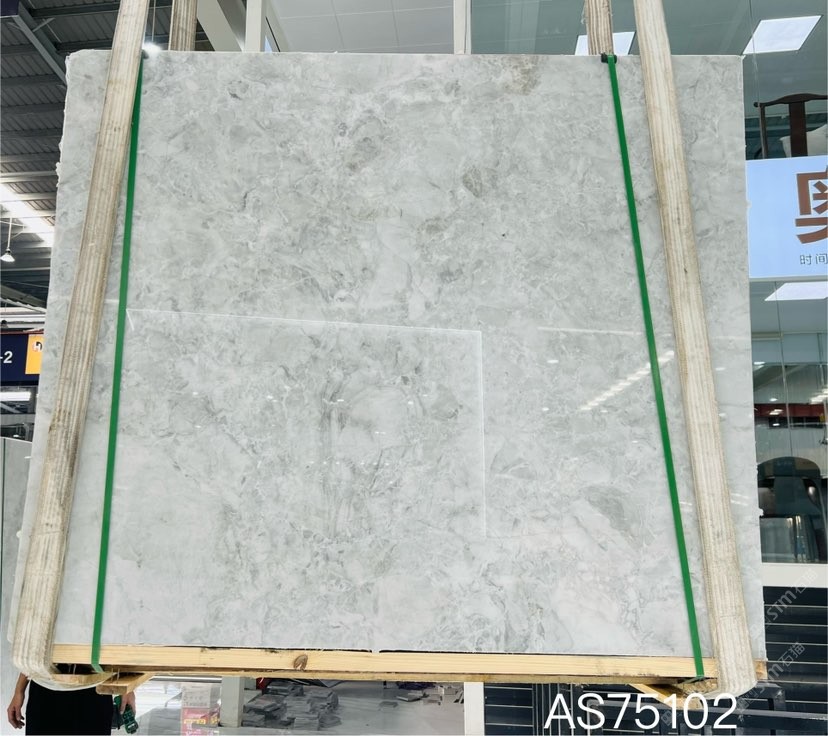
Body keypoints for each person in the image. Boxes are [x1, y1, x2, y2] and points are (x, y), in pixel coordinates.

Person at [6, 672, 136, 735]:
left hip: (93, 691)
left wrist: (128, 686)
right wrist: (19, 691)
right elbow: (31, 643)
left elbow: (117, 636)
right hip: (46, 693)